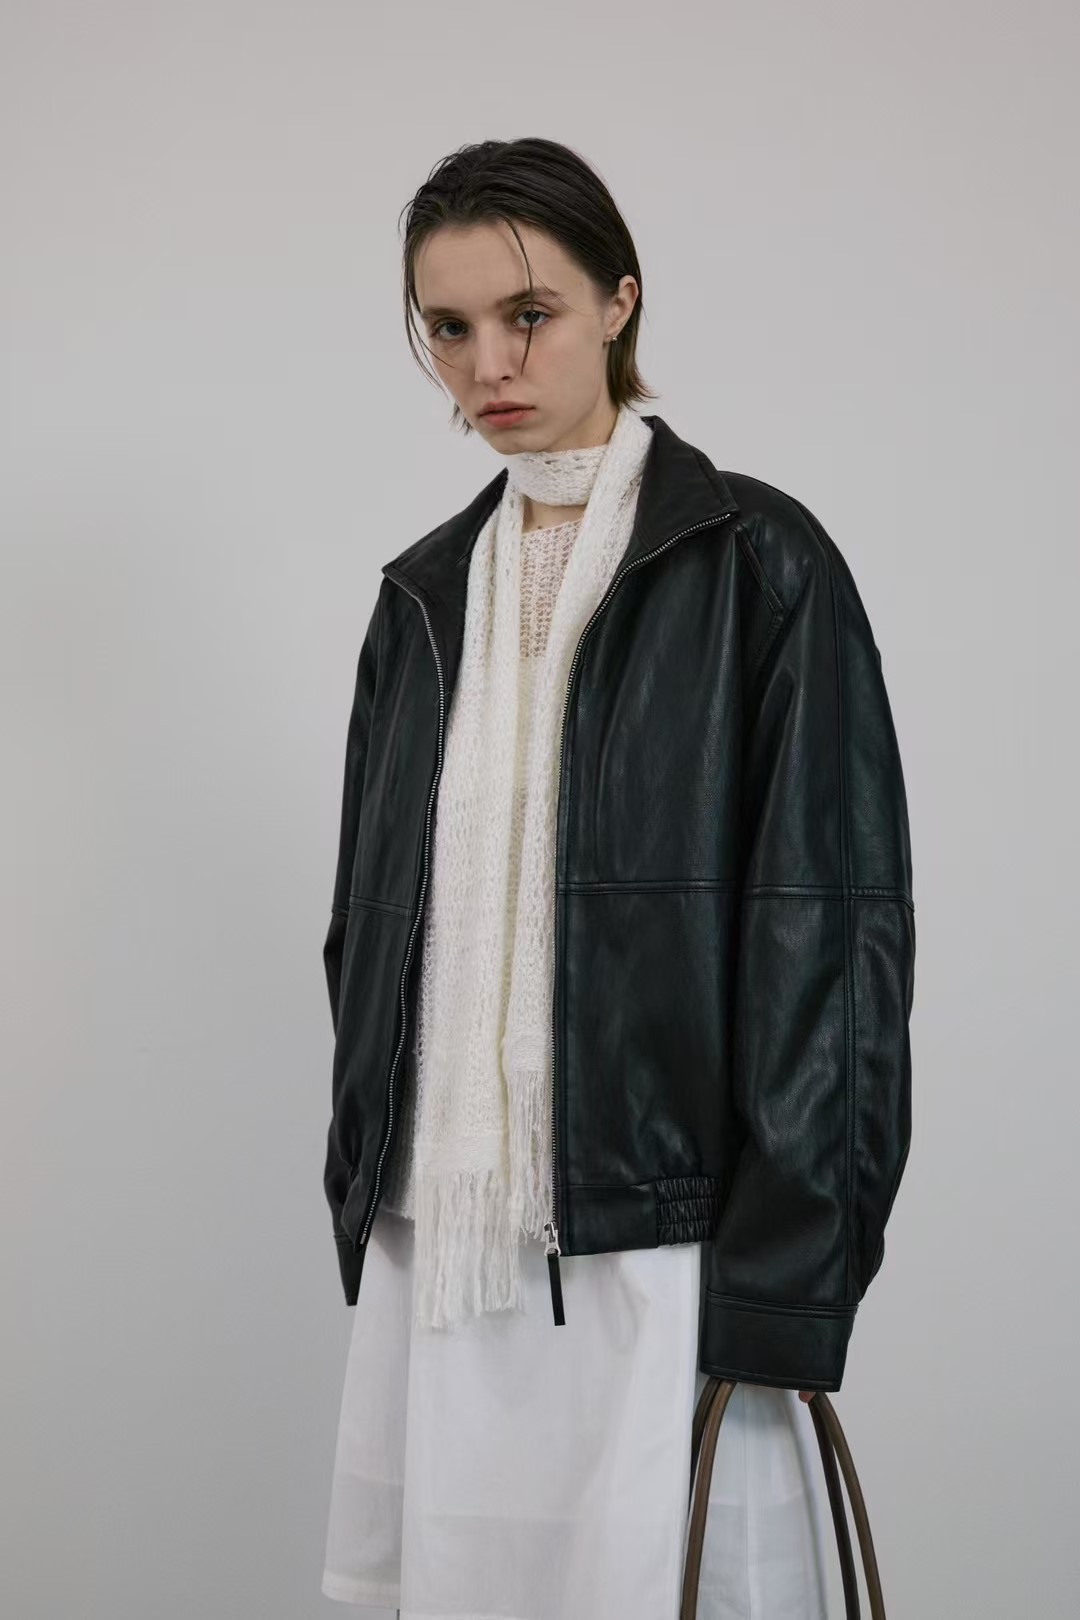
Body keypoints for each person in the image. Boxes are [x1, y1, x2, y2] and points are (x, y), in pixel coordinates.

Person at [319, 137, 915, 1620]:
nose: (488, 364)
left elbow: (832, 942)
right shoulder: (421, 598)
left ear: (619, 303)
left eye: (530, 313)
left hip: (665, 1242)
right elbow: (366, 931)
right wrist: (366, 1168)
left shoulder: (759, 564)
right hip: (447, 1242)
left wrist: (788, 1275)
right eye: (449, 326)